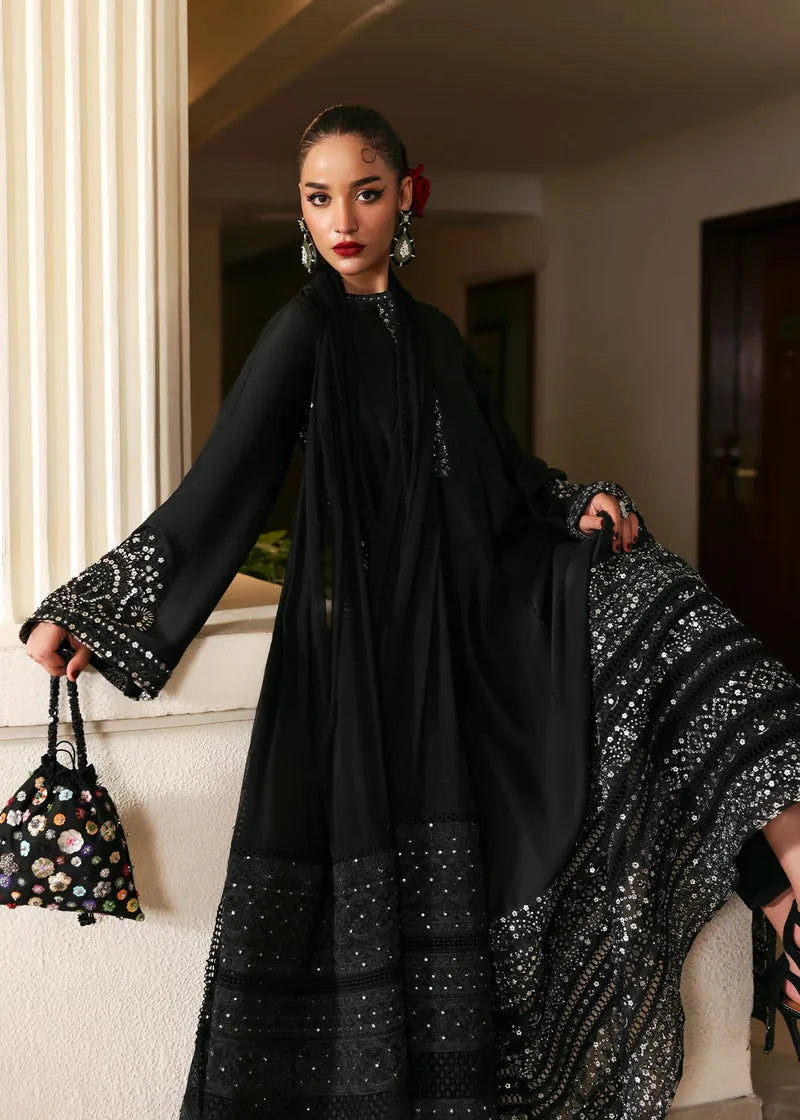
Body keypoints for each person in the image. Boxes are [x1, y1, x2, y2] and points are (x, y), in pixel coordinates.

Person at [19, 104, 800, 1119]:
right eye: (319, 198)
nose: (342, 219)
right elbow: (221, 486)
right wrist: (94, 604)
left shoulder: (435, 337)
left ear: (405, 197)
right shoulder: (304, 331)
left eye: (365, 192)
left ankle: (788, 886)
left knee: (668, 609)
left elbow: (504, 471)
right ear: (301, 211)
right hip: (376, 646)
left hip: (478, 602)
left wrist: (575, 504)